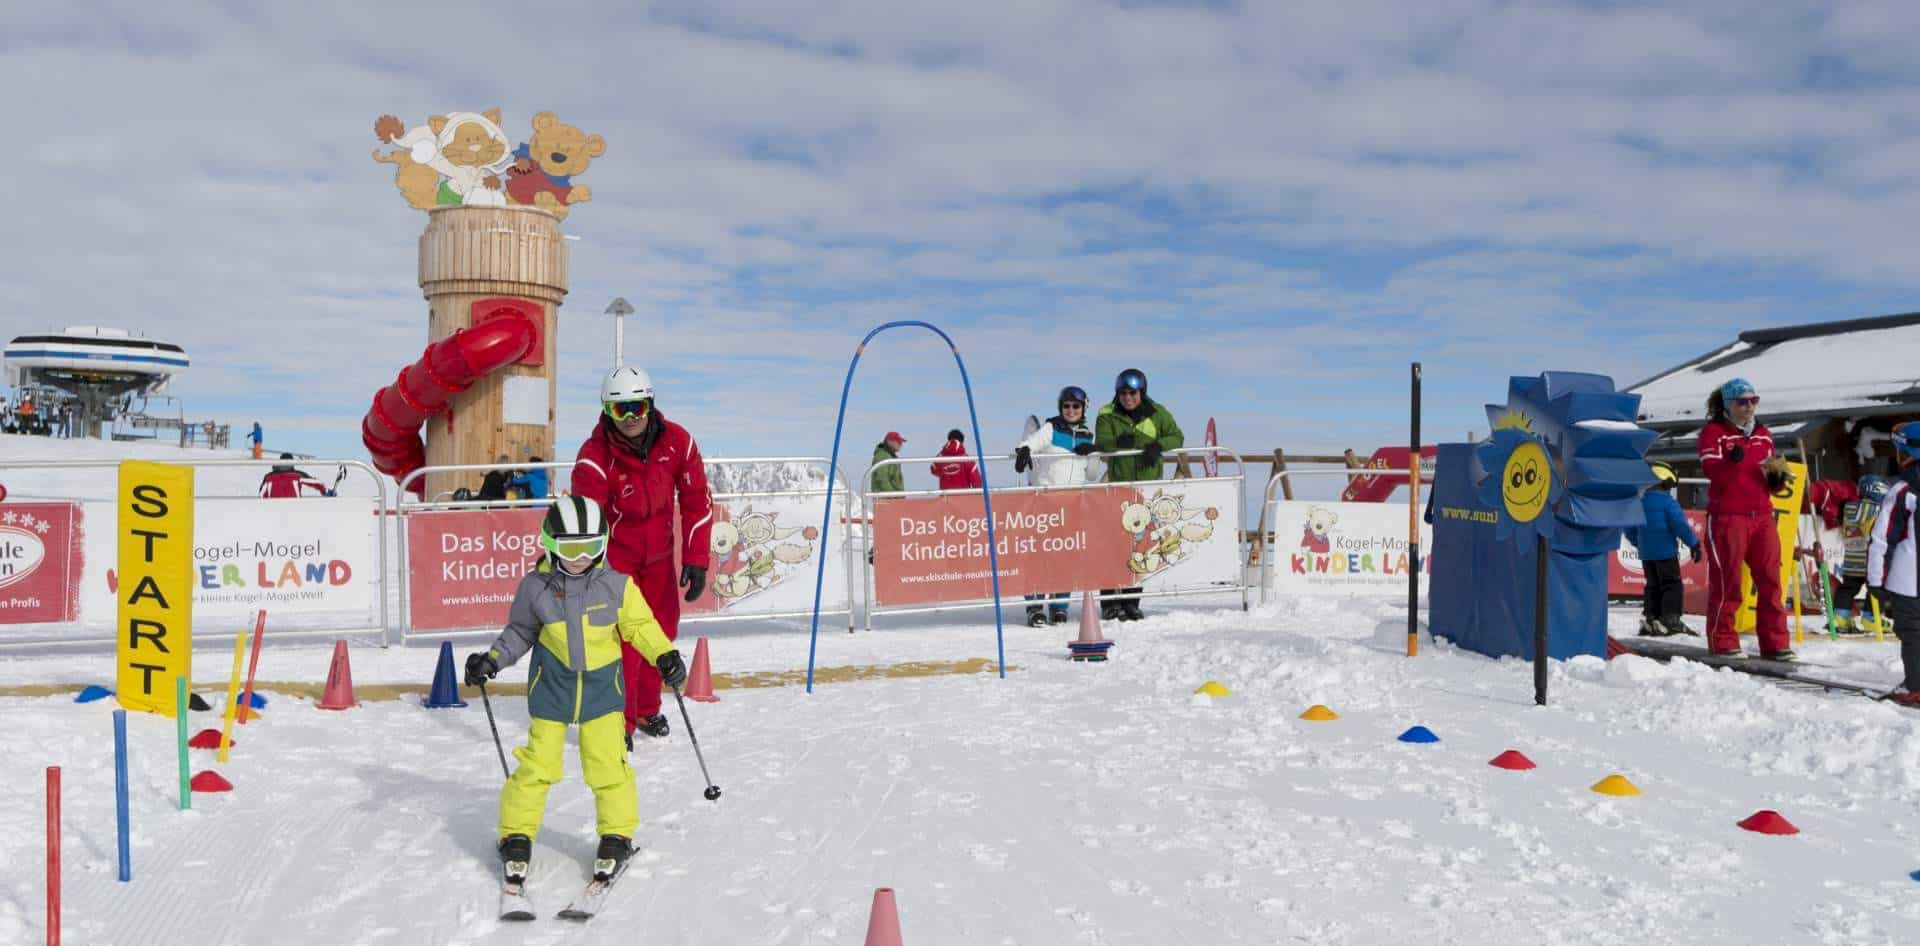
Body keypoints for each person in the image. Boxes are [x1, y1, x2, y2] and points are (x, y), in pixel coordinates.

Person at [463, 496, 688, 888]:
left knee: (607, 765)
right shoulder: (536, 587)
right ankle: (516, 834)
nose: (580, 557)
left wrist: (664, 654)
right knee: (538, 766)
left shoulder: (617, 585)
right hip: (552, 687)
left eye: (590, 547)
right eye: (570, 548)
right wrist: (493, 660)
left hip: (602, 689)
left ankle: (616, 835)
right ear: (550, 544)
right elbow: (520, 632)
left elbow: (640, 626)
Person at [571, 366, 714, 744]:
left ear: (650, 404)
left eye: (637, 407)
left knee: (662, 633)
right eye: (621, 410)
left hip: (659, 558)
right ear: (606, 411)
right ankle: (619, 720)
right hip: (617, 559)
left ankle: (648, 708)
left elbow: (698, 500)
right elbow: (588, 520)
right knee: (626, 639)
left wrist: (696, 558)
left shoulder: (677, 442)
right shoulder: (595, 457)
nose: (631, 418)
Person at [1697, 377, 1794, 659]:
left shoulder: (1764, 433)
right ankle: (1724, 640)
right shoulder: (1714, 433)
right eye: (1743, 402)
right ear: (1729, 404)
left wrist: (1778, 479)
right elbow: (1713, 475)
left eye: (1754, 400)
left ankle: (1776, 643)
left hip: (1762, 515)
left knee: (1771, 581)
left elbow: (1771, 480)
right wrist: (1731, 461)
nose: (1749, 406)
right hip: (1728, 516)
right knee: (1728, 581)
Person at [1095, 368, 1184, 621]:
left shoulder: (1157, 412)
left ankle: (1132, 601)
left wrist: (1157, 445)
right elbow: (1102, 442)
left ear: (1141, 392)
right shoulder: (1107, 413)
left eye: (1132, 393)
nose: (1127, 398)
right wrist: (1120, 445)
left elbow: (1176, 435)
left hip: (1146, 487)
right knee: (1113, 547)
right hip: (1117, 487)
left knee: (1140, 546)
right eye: (1123, 393)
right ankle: (1110, 602)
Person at [1014, 385, 1097, 626]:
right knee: (1039, 555)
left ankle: (1059, 606)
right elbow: (1030, 443)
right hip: (1046, 502)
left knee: (1066, 556)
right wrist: (1024, 452)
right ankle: (1035, 606)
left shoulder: (1088, 435)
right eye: (1066, 406)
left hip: (1073, 504)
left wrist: (1092, 452)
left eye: (1076, 406)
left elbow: (1092, 474)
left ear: (1084, 408)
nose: (1070, 410)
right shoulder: (1051, 428)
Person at [1865, 422, 1920, 707]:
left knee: (1912, 633)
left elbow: (1882, 539)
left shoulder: (1902, 490)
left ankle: (1916, 686)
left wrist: (1875, 581)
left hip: (1909, 581)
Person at [1624, 461, 1701, 637]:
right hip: (1666, 552)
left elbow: (1629, 529)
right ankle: (1671, 619)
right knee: (1671, 584)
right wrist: (1694, 544)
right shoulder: (1668, 503)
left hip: (1647, 554)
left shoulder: (1640, 503)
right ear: (1663, 482)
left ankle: (1652, 617)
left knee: (1652, 585)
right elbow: (1680, 526)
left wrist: (1639, 543)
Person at [1834, 475, 1892, 635]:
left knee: (1847, 588)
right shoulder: (1879, 509)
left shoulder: (1848, 507)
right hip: (1870, 559)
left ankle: (1840, 617)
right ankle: (1870, 618)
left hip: (1852, 558)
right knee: (1876, 589)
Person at [259, 453, 330, 498]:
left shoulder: (269, 477)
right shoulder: (297, 475)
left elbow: (261, 494)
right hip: (295, 508)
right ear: (292, 463)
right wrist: (326, 492)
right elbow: (316, 483)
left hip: (273, 510)